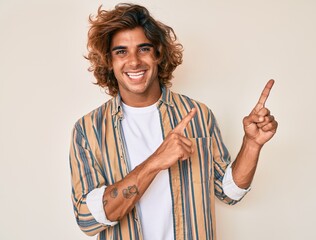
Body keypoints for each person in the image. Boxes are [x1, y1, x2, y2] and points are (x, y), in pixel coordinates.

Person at [69, 3, 278, 240]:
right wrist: (156, 161)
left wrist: (252, 144)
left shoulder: (197, 114)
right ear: (109, 60)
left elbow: (229, 192)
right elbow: (87, 219)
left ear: (158, 53)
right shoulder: (88, 130)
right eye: (121, 51)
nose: (134, 61)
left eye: (143, 49)